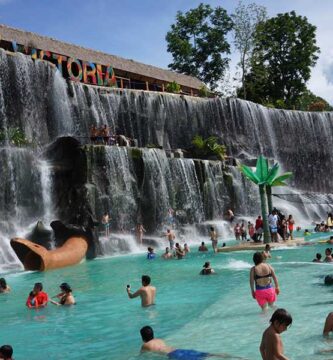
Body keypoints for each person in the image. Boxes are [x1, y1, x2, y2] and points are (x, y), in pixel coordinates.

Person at [140, 326, 239, 359]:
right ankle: (234, 357)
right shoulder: (160, 340)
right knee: (208, 355)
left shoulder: (145, 345)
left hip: (175, 355)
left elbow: (141, 356)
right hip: (179, 350)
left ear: (143, 338)